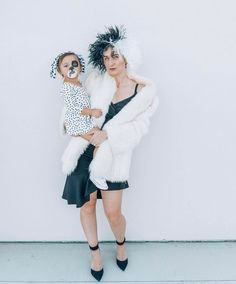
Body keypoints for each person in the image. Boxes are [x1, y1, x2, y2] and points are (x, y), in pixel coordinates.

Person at [61, 26, 159, 281]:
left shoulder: (144, 91)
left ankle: (121, 243)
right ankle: (94, 253)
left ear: (126, 56)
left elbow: (140, 128)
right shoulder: (96, 81)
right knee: (87, 206)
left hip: (114, 154)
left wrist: (109, 137)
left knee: (113, 213)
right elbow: (72, 111)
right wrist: (87, 134)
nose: (110, 62)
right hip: (85, 149)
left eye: (114, 56)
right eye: (105, 58)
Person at [50, 51, 109, 189]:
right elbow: (73, 107)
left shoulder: (78, 83)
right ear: (60, 71)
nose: (71, 67)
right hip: (77, 123)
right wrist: (92, 112)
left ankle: (98, 171)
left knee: (101, 140)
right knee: (101, 142)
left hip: (82, 121)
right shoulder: (66, 87)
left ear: (80, 66)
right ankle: (97, 173)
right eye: (66, 65)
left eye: (74, 64)